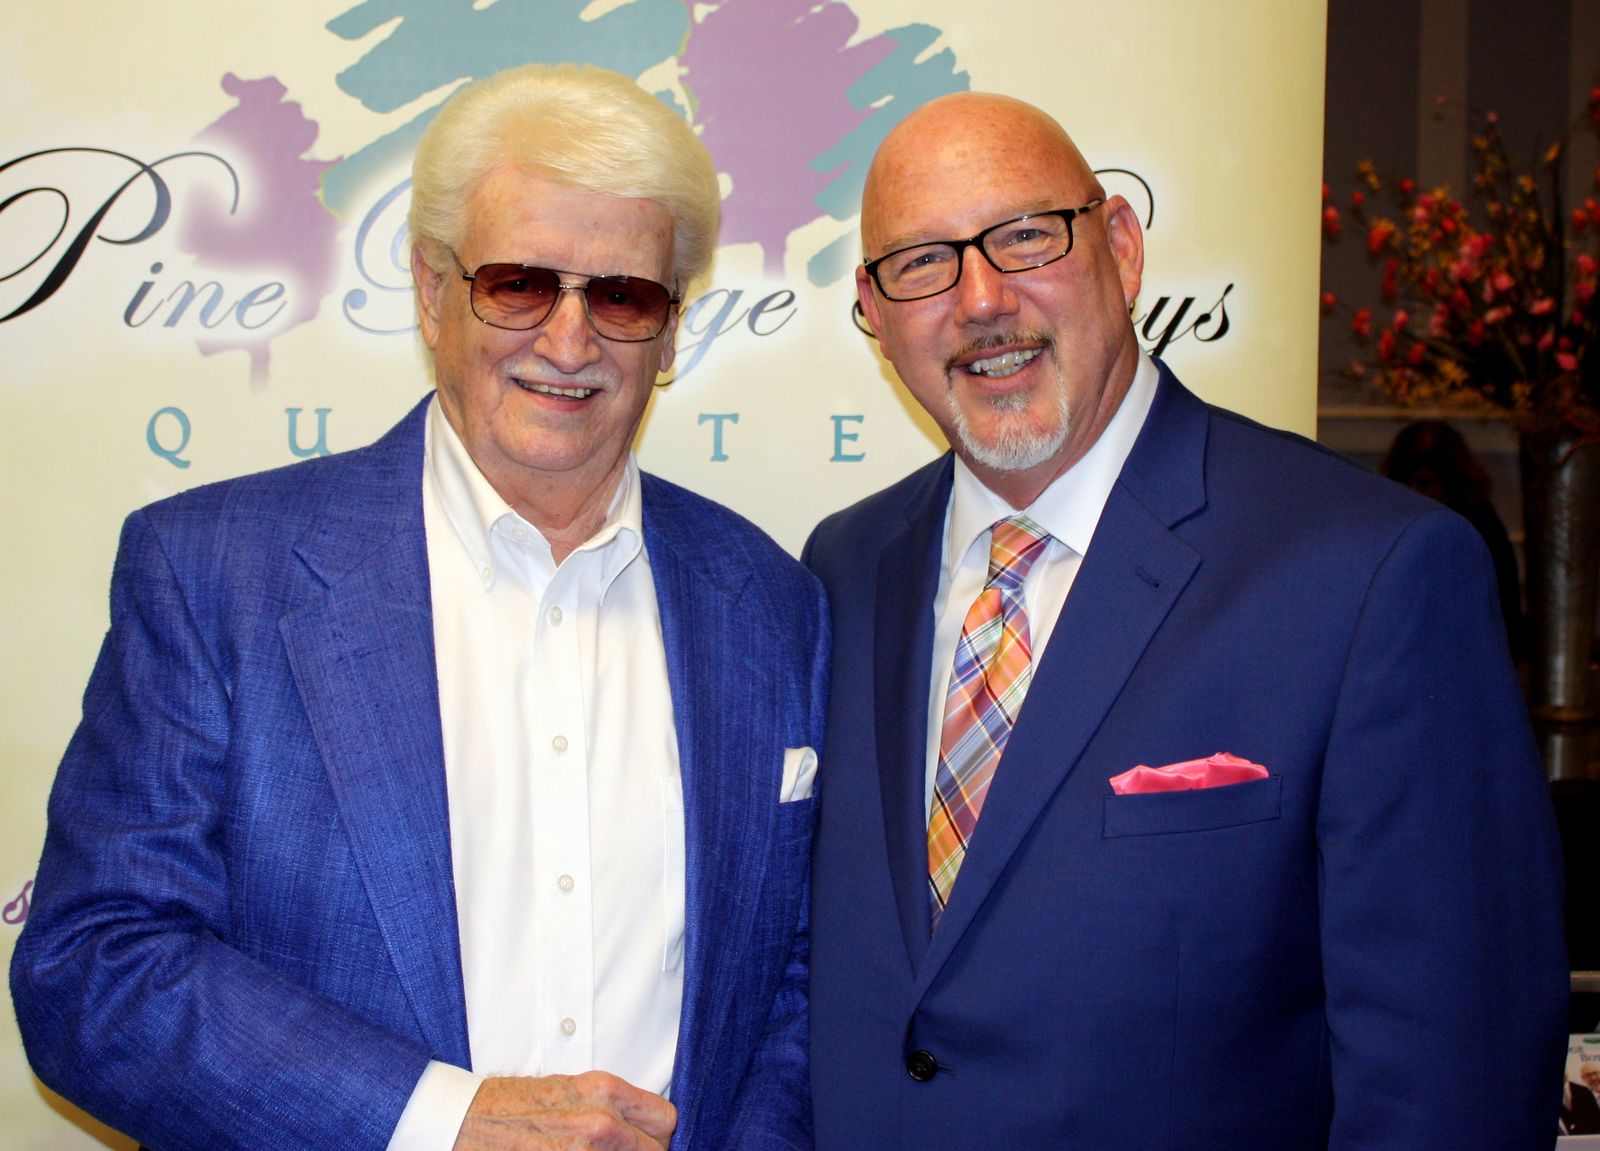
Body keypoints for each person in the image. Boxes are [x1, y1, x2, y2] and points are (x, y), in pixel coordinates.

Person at [11, 63, 825, 1151]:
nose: (569, 341)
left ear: (671, 331)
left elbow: (795, 984)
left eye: (621, 296)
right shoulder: (211, 574)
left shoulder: (772, 605)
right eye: (519, 284)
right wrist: (442, 1122)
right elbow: (97, 967)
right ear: (433, 290)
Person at [803, 90, 1567, 1149]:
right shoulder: (841, 571)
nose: (980, 299)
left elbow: (1454, 1087)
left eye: (1024, 236)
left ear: (1120, 247)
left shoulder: (1370, 575)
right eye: (923, 261)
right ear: (875, 311)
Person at [1381, 419, 1524, 657]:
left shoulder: (1479, 524)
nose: (1424, 475)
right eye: (1413, 465)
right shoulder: (1389, 525)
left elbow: (1500, 605)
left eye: (1437, 465)